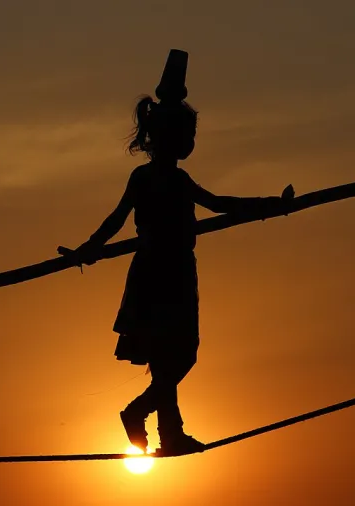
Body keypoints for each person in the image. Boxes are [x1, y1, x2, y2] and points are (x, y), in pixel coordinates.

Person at [70, 57, 291, 457]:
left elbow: (216, 204)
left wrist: (270, 205)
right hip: (165, 275)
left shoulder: (161, 178)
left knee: (167, 357)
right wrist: (89, 249)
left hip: (159, 274)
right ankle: (140, 413)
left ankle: (169, 433)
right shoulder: (162, 179)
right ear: (171, 137)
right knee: (181, 353)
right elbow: (122, 220)